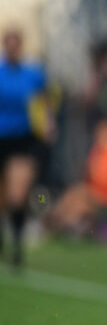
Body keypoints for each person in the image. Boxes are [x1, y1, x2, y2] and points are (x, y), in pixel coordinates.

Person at [0, 28, 51, 269]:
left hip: (22, 139)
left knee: (17, 195)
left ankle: (18, 246)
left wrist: (47, 123)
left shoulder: (33, 74)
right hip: (1, 138)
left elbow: (45, 101)